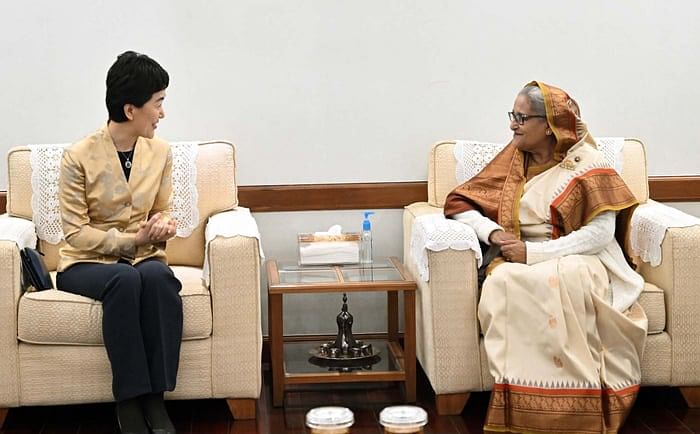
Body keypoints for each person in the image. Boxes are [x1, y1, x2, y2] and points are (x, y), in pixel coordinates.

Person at [444, 81, 647, 433]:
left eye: (522, 117)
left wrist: (534, 253)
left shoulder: (587, 163)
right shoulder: (512, 160)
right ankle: (524, 408)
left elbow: (599, 236)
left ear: (551, 124)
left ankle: (573, 411)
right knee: (503, 280)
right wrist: (493, 234)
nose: (513, 125)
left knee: (563, 276)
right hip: (520, 254)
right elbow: (461, 204)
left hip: (582, 256)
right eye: (513, 115)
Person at [57, 51, 181, 434]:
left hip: (144, 257)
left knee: (158, 279)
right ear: (131, 109)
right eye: (157, 103)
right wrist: (130, 240)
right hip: (85, 263)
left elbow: (164, 210)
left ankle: (155, 400)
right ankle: (128, 401)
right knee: (126, 280)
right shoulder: (78, 156)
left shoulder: (160, 152)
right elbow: (75, 232)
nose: (162, 113)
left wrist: (162, 227)